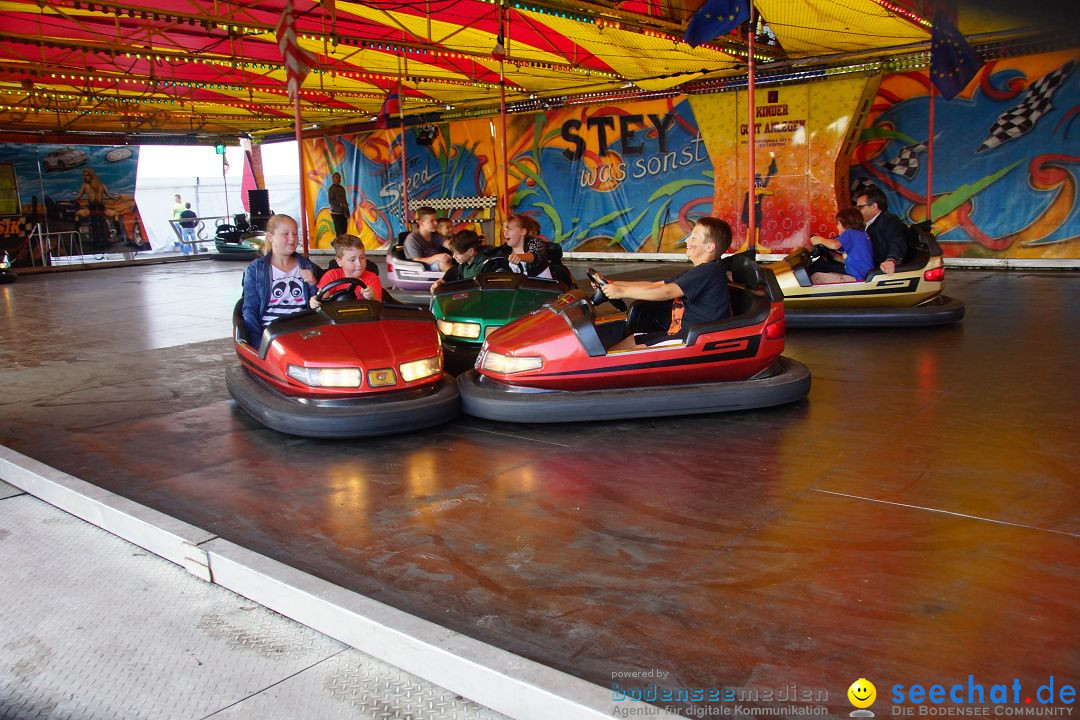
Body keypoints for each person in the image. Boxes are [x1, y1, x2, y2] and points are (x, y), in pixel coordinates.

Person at [601, 217, 732, 351]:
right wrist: (613, 283)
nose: (687, 240)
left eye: (693, 238)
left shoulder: (709, 271)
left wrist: (622, 292)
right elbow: (655, 285)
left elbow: (666, 292)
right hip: (679, 334)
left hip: (692, 339)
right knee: (632, 339)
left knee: (633, 350)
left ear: (709, 247)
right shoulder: (700, 271)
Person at [240, 214, 319, 345]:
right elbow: (250, 309)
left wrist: (313, 283)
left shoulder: (307, 265)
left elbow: (317, 302)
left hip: (304, 329)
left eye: (295, 234)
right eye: (285, 234)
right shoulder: (256, 269)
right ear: (270, 237)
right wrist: (259, 345)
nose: (292, 239)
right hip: (272, 331)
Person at [310, 235, 382, 307]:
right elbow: (321, 298)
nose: (359, 264)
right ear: (339, 261)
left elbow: (378, 306)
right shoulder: (331, 276)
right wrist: (315, 302)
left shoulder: (372, 278)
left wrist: (372, 297)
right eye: (352, 260)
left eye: (362, 257)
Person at [807, 207, 874, 283]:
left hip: (857, 277)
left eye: (838, 224)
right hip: (860, 274)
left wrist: (820, 240)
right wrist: (833, 256)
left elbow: (834, 245)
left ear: (846, 223)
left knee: (815, 277)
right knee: (826, 269)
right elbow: (852, 259)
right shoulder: (860, 235)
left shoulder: (850, 233)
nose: (837, 227)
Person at [855, 186, 908, 276]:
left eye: (860, 207)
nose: (857, 211)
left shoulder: (889, 220)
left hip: (877, 272)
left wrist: (891, 260)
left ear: (874, 206)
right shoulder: (867, 224)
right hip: (865, 266)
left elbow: (896, 241)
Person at [403, 206, 452, 271]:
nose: (436, 223)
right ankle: (457, 279)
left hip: (436, 263)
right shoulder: (412, 239)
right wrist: (436, 257)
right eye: (432, 221)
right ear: (422, 223)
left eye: (436, 220)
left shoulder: (435, 235)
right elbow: (417, 260)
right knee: (443, 263)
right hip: (424, 268)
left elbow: (449, 245)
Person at [76, 168, 113, 248]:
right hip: (98, 208)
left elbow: (79, 196)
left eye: (87, 175)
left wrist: (73, 200)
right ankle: (117, 236)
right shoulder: (101, 185)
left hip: (94, 208)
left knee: (78, 215)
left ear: (91, 175)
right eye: (85, 175)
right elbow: (109, 195)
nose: (86, 177)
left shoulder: (85, 186)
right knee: (105, 220)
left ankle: (76, 238)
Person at [327, 172, 349, 236]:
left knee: (344, 231)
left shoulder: (342, 188)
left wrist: (347, 212)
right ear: (332, 179)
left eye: (339, 177)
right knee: (339, 232)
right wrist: (341, 204)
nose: (338, 178)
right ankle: (338, 245)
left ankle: (343, 246)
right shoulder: (331, 189)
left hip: (343, 213)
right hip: (336, 213)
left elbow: (345, 200)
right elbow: (331, 201)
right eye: (336, 177)